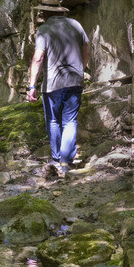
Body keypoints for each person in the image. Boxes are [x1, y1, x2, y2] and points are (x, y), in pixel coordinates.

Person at [26, 13, 92, 175]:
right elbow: (86, 50)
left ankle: (56, 159)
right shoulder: (76, 25)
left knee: (54, 120)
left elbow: (38, 58)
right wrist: (80, 70)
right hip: (74, 81)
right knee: (70, 121)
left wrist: (32, 85)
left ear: (44, 14)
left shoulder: (44, 30)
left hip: (53, 84)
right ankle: (66, 162)